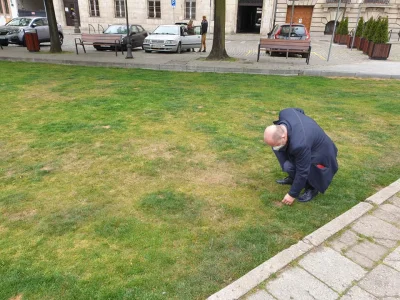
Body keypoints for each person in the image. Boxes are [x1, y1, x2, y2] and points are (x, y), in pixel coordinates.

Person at [264, 108, 338, 205]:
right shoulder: (285, 113)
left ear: (283, 136)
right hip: (305, 143)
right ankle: (293, 177)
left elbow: (302, 171)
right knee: (284, 158)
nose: (274, 147)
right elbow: (300, 111)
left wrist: (292, 194)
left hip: (321, 153)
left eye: (276, 144)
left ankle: (312, 188)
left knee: (292, 166)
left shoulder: (300, 144)